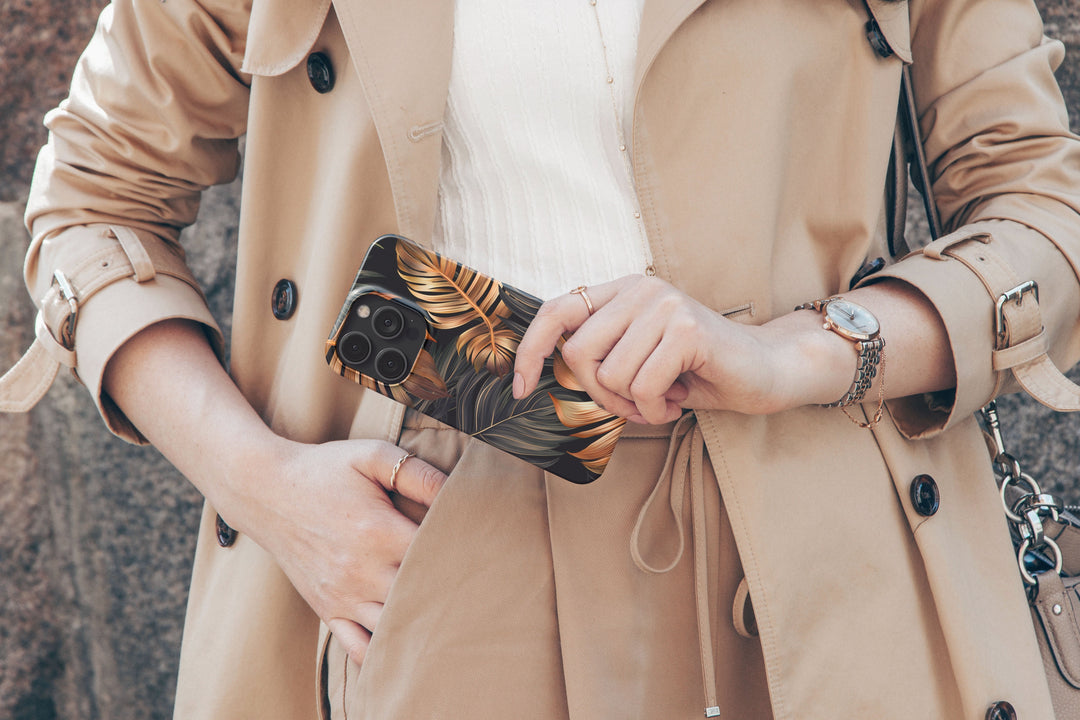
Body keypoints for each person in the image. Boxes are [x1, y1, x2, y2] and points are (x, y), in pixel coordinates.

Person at [3, 0, 1079, 717]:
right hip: (424, 540)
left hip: (818, 553)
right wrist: (271, 492)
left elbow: (1042, 194)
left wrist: (800, 351)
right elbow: (94, 201)